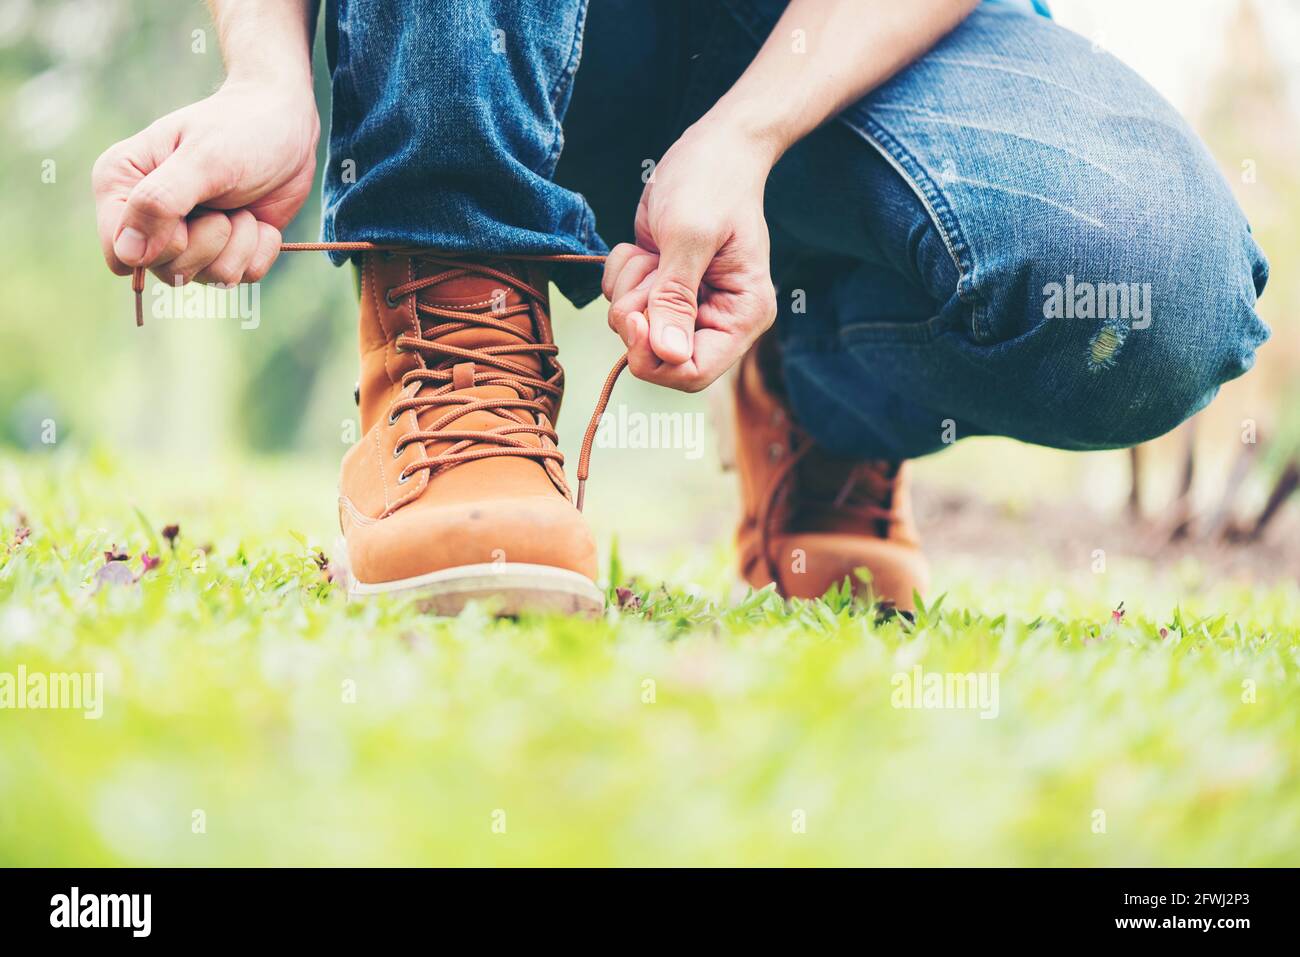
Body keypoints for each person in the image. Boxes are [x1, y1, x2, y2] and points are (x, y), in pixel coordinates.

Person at [92, 0, 1269, 615]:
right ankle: (451, 331)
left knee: (1155, 283)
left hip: (830, 35)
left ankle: (818, 382)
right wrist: (268, 74)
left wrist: (748, 133)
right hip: (488, 36)